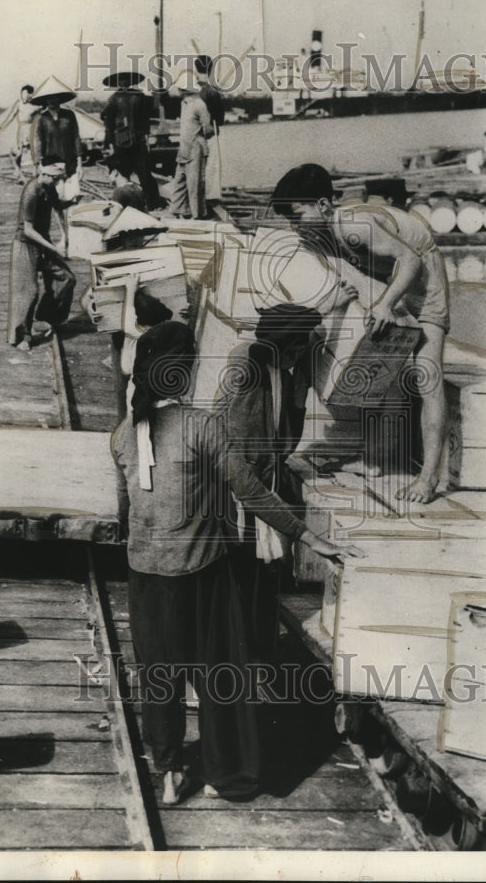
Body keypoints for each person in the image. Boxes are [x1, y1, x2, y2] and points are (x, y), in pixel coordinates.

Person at [111, 321, 356, 805]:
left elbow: (128, 507)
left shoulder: (122, 434)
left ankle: (166, 771)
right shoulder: (202, 426)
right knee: (220, 674)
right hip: (203, 576)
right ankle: (231, 776)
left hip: (145, 578)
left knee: (159, 676)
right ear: (182, 375)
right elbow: (251, 493)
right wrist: (310, 537)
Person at [272, 162, 451, 504]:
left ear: (323, 206)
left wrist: (385, 305)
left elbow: (410, 261)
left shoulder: (355, 225)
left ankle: (428, 478)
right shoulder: (316, 239)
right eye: (289, 220)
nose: (294, 227)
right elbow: (348, 284)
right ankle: (376, 456)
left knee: (428, 375)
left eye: (298, 216)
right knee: (367, 356)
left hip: (422, 276)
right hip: (385, 277)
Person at [214, 301, 357, 664]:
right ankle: (242, 662)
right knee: (240, 583)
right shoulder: (247, 371)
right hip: (238, 495)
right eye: (300, 348)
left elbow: (283, 443)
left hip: (258, 489)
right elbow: (249, 458)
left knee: (259, 582)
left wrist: (302, 385)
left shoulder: (280, 372)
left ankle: (253, 658)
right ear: (288, 347)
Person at [7, 158, 76, 351]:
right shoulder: (31, 192)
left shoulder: (49, 187)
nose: (57, 182)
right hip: (25, 244)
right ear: (43, 174)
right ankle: (22, 336)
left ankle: (47, 316)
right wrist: (55, 249)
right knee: (29, 292)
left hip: (42, 242)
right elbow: (28, 230)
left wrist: (71, 202)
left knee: (67, 278)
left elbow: (57, 206)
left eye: (58, 179)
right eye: (54, 178)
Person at [100, 71, 162, 211]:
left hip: (138, 140)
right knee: (122, 173)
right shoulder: (113, 99)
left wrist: (147, 136)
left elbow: (146, 117)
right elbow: (108, 123)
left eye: (126, 79)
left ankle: (153, 203)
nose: (124, 82)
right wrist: (107, 143)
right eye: (121, 80)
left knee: (144, 173)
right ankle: (125, 202)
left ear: (130, 81)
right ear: (117, 83)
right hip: (120, 142)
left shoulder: (140, 96)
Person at [169, 77, 215, 220]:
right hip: (184, 147)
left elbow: (208, 129)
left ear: (184, 90)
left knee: (194, 184)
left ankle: (197, 214)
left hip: (195, 147)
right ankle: (178, 210)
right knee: (179, 181)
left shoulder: (199, 104)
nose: (178, 91)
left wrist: (199, 138)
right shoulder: (185, 104)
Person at [194, 54, 225, 210]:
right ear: (211, 69)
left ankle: (196, 195)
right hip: (211, 132)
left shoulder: (192, 90)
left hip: (194, 133)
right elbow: (220, 117)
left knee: (196, 165)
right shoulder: (213, 90)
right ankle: (211, 196)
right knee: (212, 165)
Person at [30, 89, 83, 180]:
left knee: (72, 193)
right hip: (50, 164)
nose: (52, 100)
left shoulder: (69, 115)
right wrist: (37, 164)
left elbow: (76, 138)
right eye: (49, 98)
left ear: (59, 98)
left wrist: (80, 165)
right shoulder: (42, 118)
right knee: (54, 192)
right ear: (45, 100)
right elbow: (38, 142)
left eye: (54, 97)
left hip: (70, 161)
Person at [12, 84, 41, 182]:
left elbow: (43, 113)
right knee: (18, 153)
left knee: (35, 151)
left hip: (32, 129)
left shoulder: (36, 105)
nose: (23, 95)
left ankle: (36, 172)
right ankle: (17, 170)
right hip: (21, 130)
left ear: (30, 94)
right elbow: (11, 116)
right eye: (22, 93)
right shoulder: (19, 104)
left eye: (25, 93)